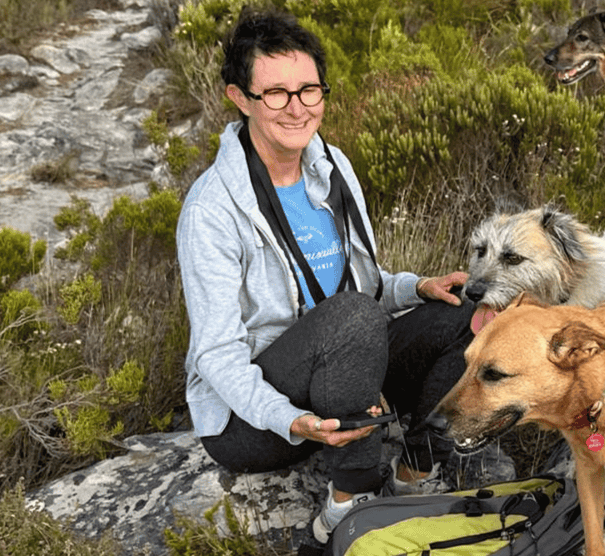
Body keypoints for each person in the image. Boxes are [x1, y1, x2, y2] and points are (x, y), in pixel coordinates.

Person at [175, 8, 476, 544]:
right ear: (239, 98)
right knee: (354, 321)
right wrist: (290, 419)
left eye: (309, 90)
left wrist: (417, 288)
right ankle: (346, 504)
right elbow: (216, 354)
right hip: (253, 422)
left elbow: (359, 283)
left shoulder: (330, 165)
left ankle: (416, 470)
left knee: (468, 316)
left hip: (343, 370)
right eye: (276, 94)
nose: (297, 109)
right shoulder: (212, 211)